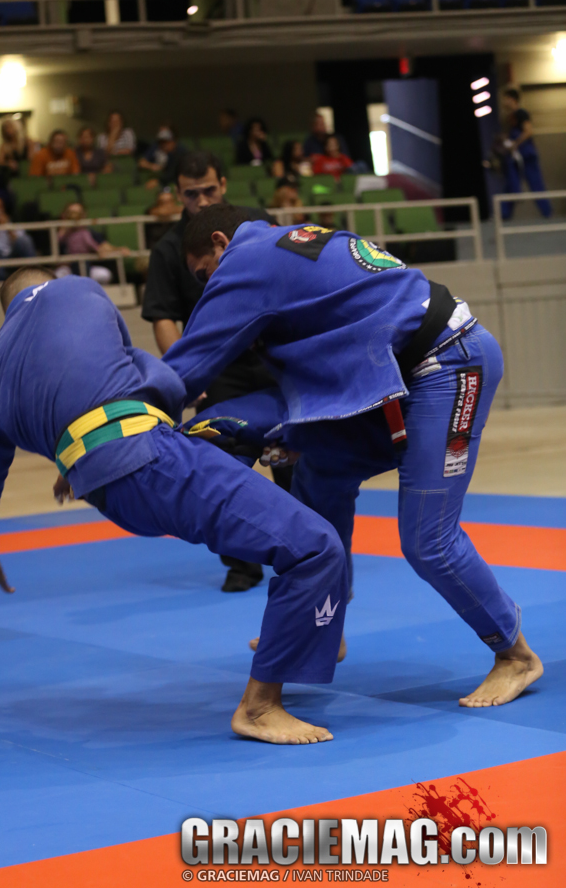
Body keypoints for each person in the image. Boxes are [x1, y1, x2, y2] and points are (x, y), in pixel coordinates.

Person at [163, 204, 544, 709]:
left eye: (203, 274)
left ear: (219, 243)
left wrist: (117, 426)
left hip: (450, 364)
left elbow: (186, 365)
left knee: (428, 540)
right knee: (317, 481)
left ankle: (515, 655)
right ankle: (323, 625)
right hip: (398, 376)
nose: (207, 288)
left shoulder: (248, 258)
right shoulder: (289, 250)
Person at [0, 267, 349, 746]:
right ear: (51, 280)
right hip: (149, 457)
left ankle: (308, 637)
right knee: (314, 546)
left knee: (260, 469)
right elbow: (145, 372)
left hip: (108, 490)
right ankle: (259, 708)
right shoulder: (74, 290)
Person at [141, 150, 288, 593]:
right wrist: (184, 377)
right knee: (221, 468)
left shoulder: (258, 224)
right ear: (177, 194)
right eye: (191, 194)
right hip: (220, 370)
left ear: (223, 184)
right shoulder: (169, 249)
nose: (201, 201)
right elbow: (163, 317)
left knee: (294, 460)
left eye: (209, 190)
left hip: (276, 360)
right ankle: (242, 563)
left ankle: (306, 553)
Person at [500, 88, 551, 220]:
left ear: (511, 99)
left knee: (535, 183)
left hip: (526, 153)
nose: (503, 102)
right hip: (514, 156)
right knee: (511, 184)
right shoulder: (508, 118)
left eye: (505, 99)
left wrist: (515, 143)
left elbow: (528, 131)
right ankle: (504, 215)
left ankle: (547, 213)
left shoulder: (522, 113)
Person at [57, 201, 130, 284]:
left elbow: (103, 246)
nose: (74, 217)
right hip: (67, 269)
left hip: (86, 267)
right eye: (70, 213)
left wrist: (119, 250)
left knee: (104, 275)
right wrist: (64, 228)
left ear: (84, 215)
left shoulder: (87, 232)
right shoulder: (53, 231)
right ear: (64, 215)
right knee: (59, 276)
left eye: (78, 214)